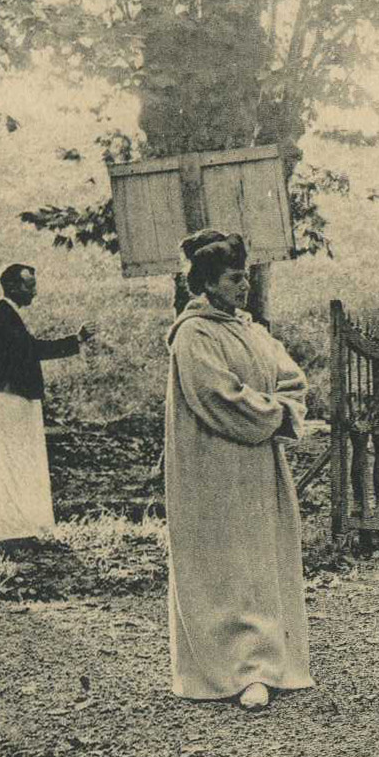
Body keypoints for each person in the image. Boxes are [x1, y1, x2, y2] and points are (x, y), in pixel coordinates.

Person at [163, 231, 313, 711]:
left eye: (245, 275)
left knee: (259, 561)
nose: (243, 285)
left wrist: (283, 406)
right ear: (208, 284)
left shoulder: (251, 329)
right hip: (213, 468)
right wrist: (274, 415)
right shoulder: (194, 334)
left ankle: (268, 664)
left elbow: (292, 378)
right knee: (225, 567)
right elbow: (218, 397)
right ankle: (233, 671)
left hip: (258, 466)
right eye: (233, 277)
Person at [0, 264, 94, 544]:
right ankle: (11, 531)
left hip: (13, 401)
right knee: (10, 464)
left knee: (18, 463)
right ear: (13, 286)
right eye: (30, 286)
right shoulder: (3, 318)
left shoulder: (6, 316)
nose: (35, 292)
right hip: (6, 402)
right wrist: (75, 340)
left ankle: (19, 528)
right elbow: (32, 350)